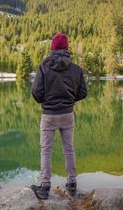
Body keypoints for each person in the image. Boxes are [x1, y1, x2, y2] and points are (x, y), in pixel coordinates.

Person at [30, 33, 87, 199]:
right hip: (67, 115)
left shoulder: (44, 67)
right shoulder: (76, 69)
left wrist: (46, 101)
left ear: (52, 48)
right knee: (69, 149)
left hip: (49, 115)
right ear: (67, 48)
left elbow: (36, 92)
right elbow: (83, 92)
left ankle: (44, 187)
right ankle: (71, 184)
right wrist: (69, 99)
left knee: (46, 151)